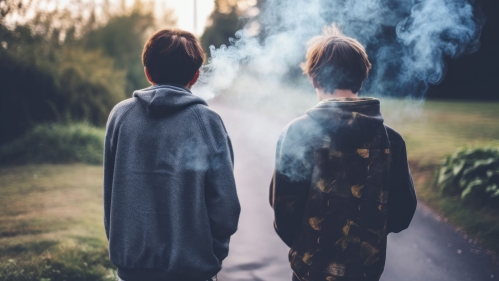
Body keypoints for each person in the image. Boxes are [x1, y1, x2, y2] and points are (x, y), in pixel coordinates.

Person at [269, 25, 417, 281]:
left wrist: (308, 246)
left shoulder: (296, 134)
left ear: (314, 78)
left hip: (309, 271)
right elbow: (403, 212)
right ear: (362, 77)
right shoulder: (390, 139)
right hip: (365, 273)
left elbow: (284, 210)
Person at [103, 29, 241, 281]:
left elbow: (109, 193)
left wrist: (124, 249)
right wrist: (212, 255)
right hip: (192, 272)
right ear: (195, 76)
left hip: (132, 270)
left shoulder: (120, 116)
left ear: (147, 72)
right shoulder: (207, 122)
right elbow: (226, 207)